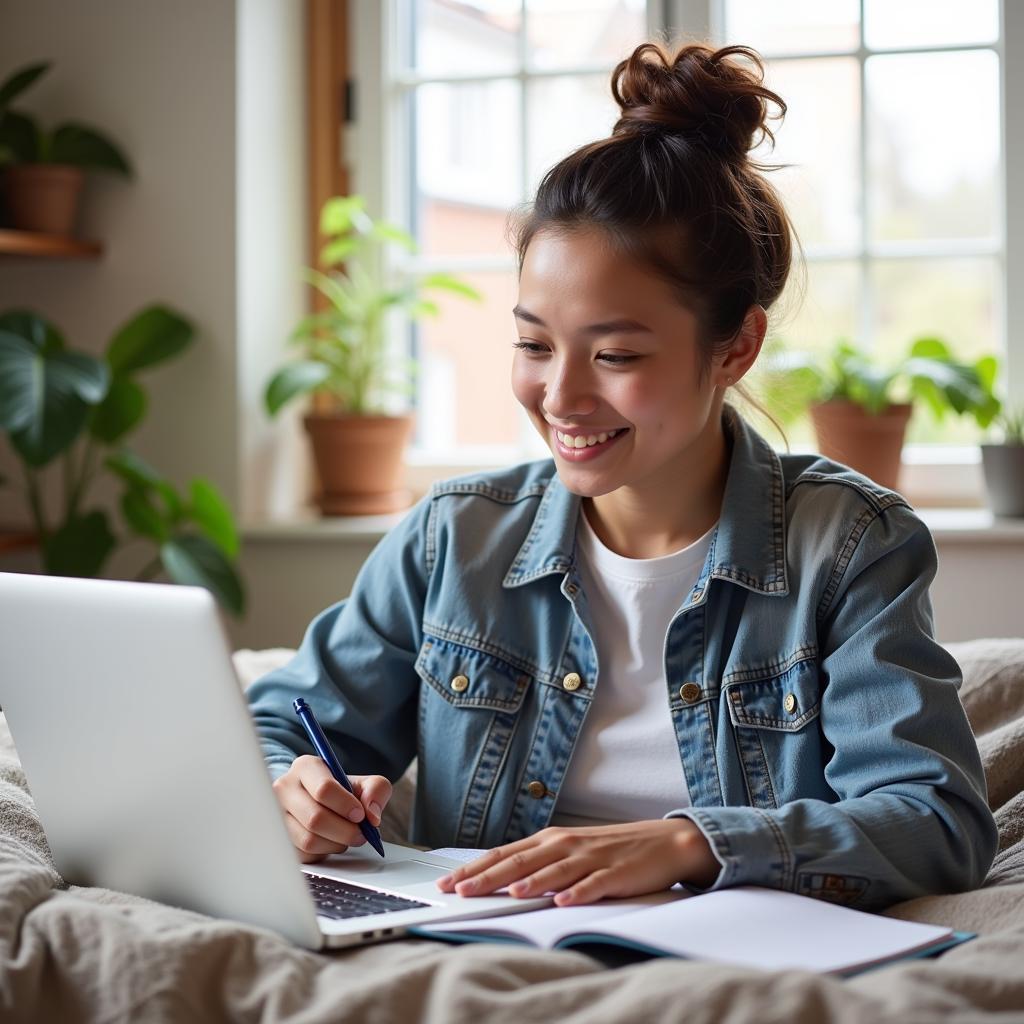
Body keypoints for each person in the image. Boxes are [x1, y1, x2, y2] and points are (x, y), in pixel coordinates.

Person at [247, 41, 997, 912]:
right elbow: (281, 724)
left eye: (615, 353)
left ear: (737, 346)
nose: (559, 395)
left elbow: (936, 821)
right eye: (532, 344)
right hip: (484, 943)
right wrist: (290, 789)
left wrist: (691, 844)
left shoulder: (851, 547)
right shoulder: (452, 537)